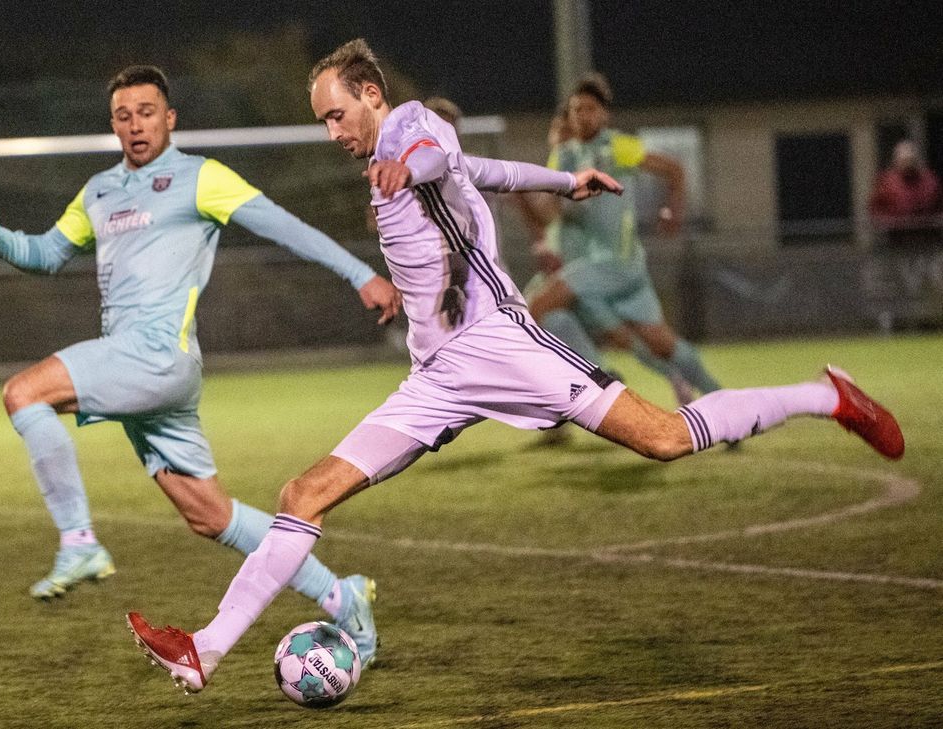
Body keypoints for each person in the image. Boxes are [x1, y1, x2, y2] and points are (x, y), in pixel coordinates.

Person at [125, 40, 905, 695]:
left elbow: (436, 155)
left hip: (502, 345)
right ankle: (204, 651)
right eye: (323, 120)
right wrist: (568, 180)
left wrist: (411, 166)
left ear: (370, 95)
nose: (332, 131)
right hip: (435, 373)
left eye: (336, 113)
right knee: (305, 491)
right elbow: (484, 172)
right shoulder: (392, 152)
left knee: (665, 438)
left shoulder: (411, 128)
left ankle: (823, 394)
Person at [0, 64, 401, 664]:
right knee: (210, 515)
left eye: (147, 112)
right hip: (143, 369)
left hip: (157, 357)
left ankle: (78, 541)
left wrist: (361, 274)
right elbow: (47, 253)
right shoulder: (99, 190)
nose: (136, 125)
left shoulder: (200, 178)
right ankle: (342, 596)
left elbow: (287, 229)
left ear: (170, 118)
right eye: (124, 116)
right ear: (113, 125)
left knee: (23, 392)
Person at [525, 73, 716, 407]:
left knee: (534, 308)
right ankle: (724, 400)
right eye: (576, 110)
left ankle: (596, 378)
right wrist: (521, 195)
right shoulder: (564, 156)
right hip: (596, 270)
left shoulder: (617, 146)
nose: (582, 115)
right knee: (659, 343)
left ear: (604, 114)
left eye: (589, 108)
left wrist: (673, 210)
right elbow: (550, 215)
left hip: (618, 263)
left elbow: (674, 170)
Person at [869, 140, 942, 248]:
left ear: (916, 160)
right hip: (897, 243)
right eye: (904, 160)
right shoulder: (886, 182)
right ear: (896, 161)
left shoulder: (930, 180)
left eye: (910, 160)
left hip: (928, 242)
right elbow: (875, 210)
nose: (908, 164)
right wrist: (888, 222)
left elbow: (940, 205)